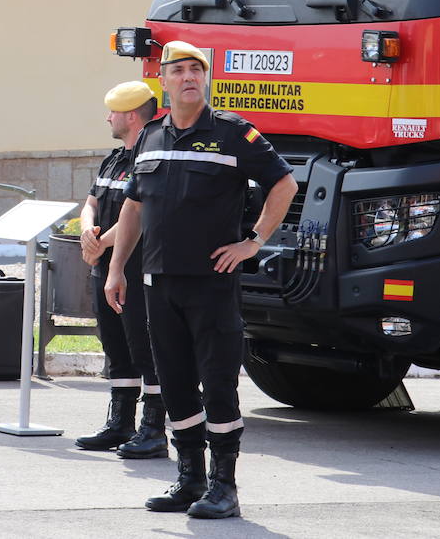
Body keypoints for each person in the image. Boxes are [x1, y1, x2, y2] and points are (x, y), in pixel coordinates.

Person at [104, 41, 297, 519]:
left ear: (205, 79)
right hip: (157, 283)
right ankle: (189, 478)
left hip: (211, 283)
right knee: (173, 383)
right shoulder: (149, 136)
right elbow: (134, 207)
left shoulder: (233, 133)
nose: (189, 77)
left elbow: (284, 183)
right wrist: (114, 268)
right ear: (164, 82)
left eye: (196, 69)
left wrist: (253, 240)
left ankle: (224, 486)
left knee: (216, 383)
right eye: (179, 70)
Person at [75, 80, 165, 459]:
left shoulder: (151, 158)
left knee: (146, 350)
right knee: (116, 347)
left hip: (136, 270)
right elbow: (91, 201)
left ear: (130, 116)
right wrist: (85, 230)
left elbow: (139, 215)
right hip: (105, 269)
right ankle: (120, 423)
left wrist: (102, 243)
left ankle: (153, 430)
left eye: (112, 112)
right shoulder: (113, 158)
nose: (107, 118)